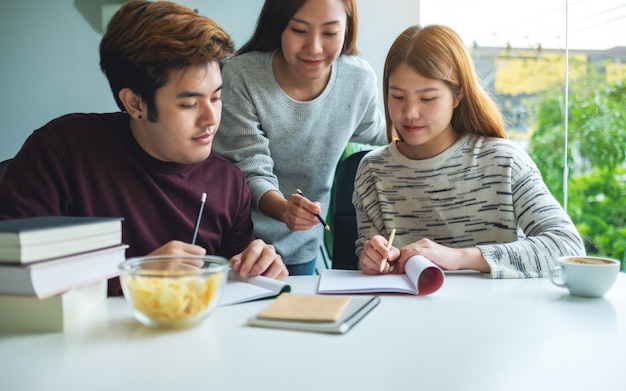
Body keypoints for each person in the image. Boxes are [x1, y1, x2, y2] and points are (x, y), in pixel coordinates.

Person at [0, 0, 288, 296]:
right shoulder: (59, 152)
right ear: (135, 103)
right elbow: (11, 276)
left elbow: (236, 286)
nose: (211, 119)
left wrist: (260, 268)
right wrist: (133, 276)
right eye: (189, 104)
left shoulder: (228, 183)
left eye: (215, 97)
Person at [354, 25, 586, 277]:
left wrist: (458, 257)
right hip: (410, 315)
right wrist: (370, 259)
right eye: (397, 96)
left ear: (457, 96)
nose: (409, 112)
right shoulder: (373, 171)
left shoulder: (504, 161)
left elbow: (568, 247)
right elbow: (369, 262)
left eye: (427, 98)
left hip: (498, 313)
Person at [213, 0, 386, 275]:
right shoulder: (242, 75)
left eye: (330, 33)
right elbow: (250, 167)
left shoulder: (357, 79)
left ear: (347, 28)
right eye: (299, 30)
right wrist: (284, 210)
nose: (314, 47)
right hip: (238, 242)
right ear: (279, 25)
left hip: (300, 246)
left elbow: (378, 132)